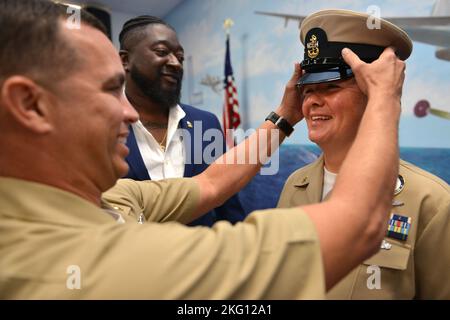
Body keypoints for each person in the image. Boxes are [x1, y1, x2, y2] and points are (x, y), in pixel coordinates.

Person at [0, 0, 406, 299]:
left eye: (331, 88)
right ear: (31, 106)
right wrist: (385, 99)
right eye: (110, 89)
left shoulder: (112, 199)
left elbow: (212, 186)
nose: (128, 111)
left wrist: (284, 116)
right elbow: (360, 224)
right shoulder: (74, 264)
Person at [277, 9, 450, 299]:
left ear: (373, 91)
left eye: (331, 86)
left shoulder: (431, 202)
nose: (313, 102)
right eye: (307, 90)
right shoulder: (295, 185)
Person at [118, 15, 245, 227]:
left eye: (180, 57)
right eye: (161, 52)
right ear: (125, 60)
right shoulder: (102, 124)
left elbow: (228, 205)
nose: (176, 63)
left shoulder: (206, 124)